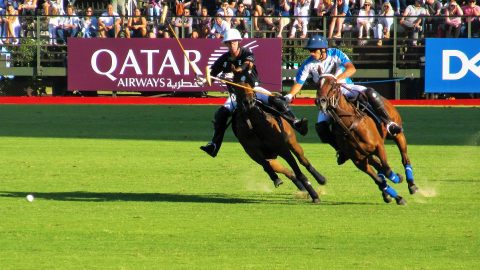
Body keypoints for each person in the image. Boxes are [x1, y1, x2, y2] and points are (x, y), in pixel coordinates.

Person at [284, 35, 402, 165]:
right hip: (327, 97)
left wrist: (337, 78)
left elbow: (351, 68)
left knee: (370, 93)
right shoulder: (308, 63)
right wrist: (289, 96)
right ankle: (341, 150)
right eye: (310, 51)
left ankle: (389, 123)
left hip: (345, 87)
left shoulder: (335, 53)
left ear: (323, 49)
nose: (311, 53)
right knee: (321, 128)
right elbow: (299, 83)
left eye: (314, 50)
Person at [199, 28, 308, 158]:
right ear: (226, 44)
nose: (231, 45)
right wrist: (202, 80)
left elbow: (247, 64)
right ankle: (214, 145)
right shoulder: (223, 59)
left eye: (233, 42)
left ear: (238, 42)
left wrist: (235, 72)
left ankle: (295, 122)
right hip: (235, 95)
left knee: (276, 100)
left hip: (253, 90)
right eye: (229, 43)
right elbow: (210, 76)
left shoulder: (246, 52)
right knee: (220, 114)